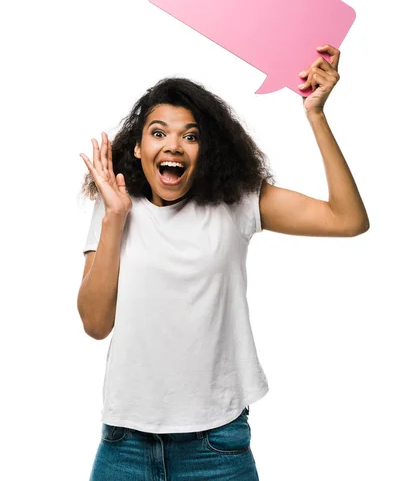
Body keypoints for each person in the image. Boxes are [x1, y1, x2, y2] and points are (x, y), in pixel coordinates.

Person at [77, 44, 369, 481]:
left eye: (190, 136)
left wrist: (316, 115)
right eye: (158, 133)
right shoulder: (115, 207)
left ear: (205, 149)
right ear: (137, 149)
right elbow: (96, 324)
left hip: (215, 447)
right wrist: (115, 216)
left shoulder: (237, 203)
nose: (173, 145)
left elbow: (348, 220)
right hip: (125, 444)